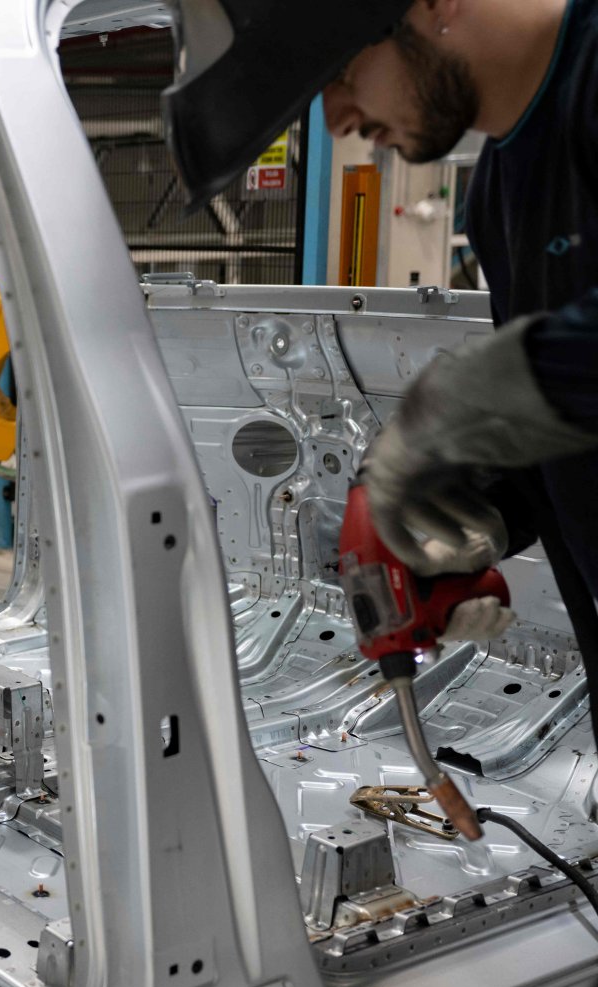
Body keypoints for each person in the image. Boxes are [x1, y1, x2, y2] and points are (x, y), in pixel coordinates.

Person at [162, 0, 598, 651]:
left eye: (339, 72)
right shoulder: (498, 197)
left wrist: (478, 393)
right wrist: (473, 522)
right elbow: (564, 435)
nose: (339, 119)